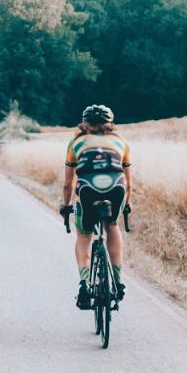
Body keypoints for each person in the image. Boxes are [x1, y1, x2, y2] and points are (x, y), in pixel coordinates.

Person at [59, 103, 130, 310]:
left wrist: (66, 205)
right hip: (116, 189)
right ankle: (118, 282)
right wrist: (128, 204)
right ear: (110, 123)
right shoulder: (121, 142)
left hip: (87, 191)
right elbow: (129, 181)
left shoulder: (76, 142)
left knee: (83, 235)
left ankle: (83, 283)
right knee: (112, 226)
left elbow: (67, 184)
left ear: (85, 123)